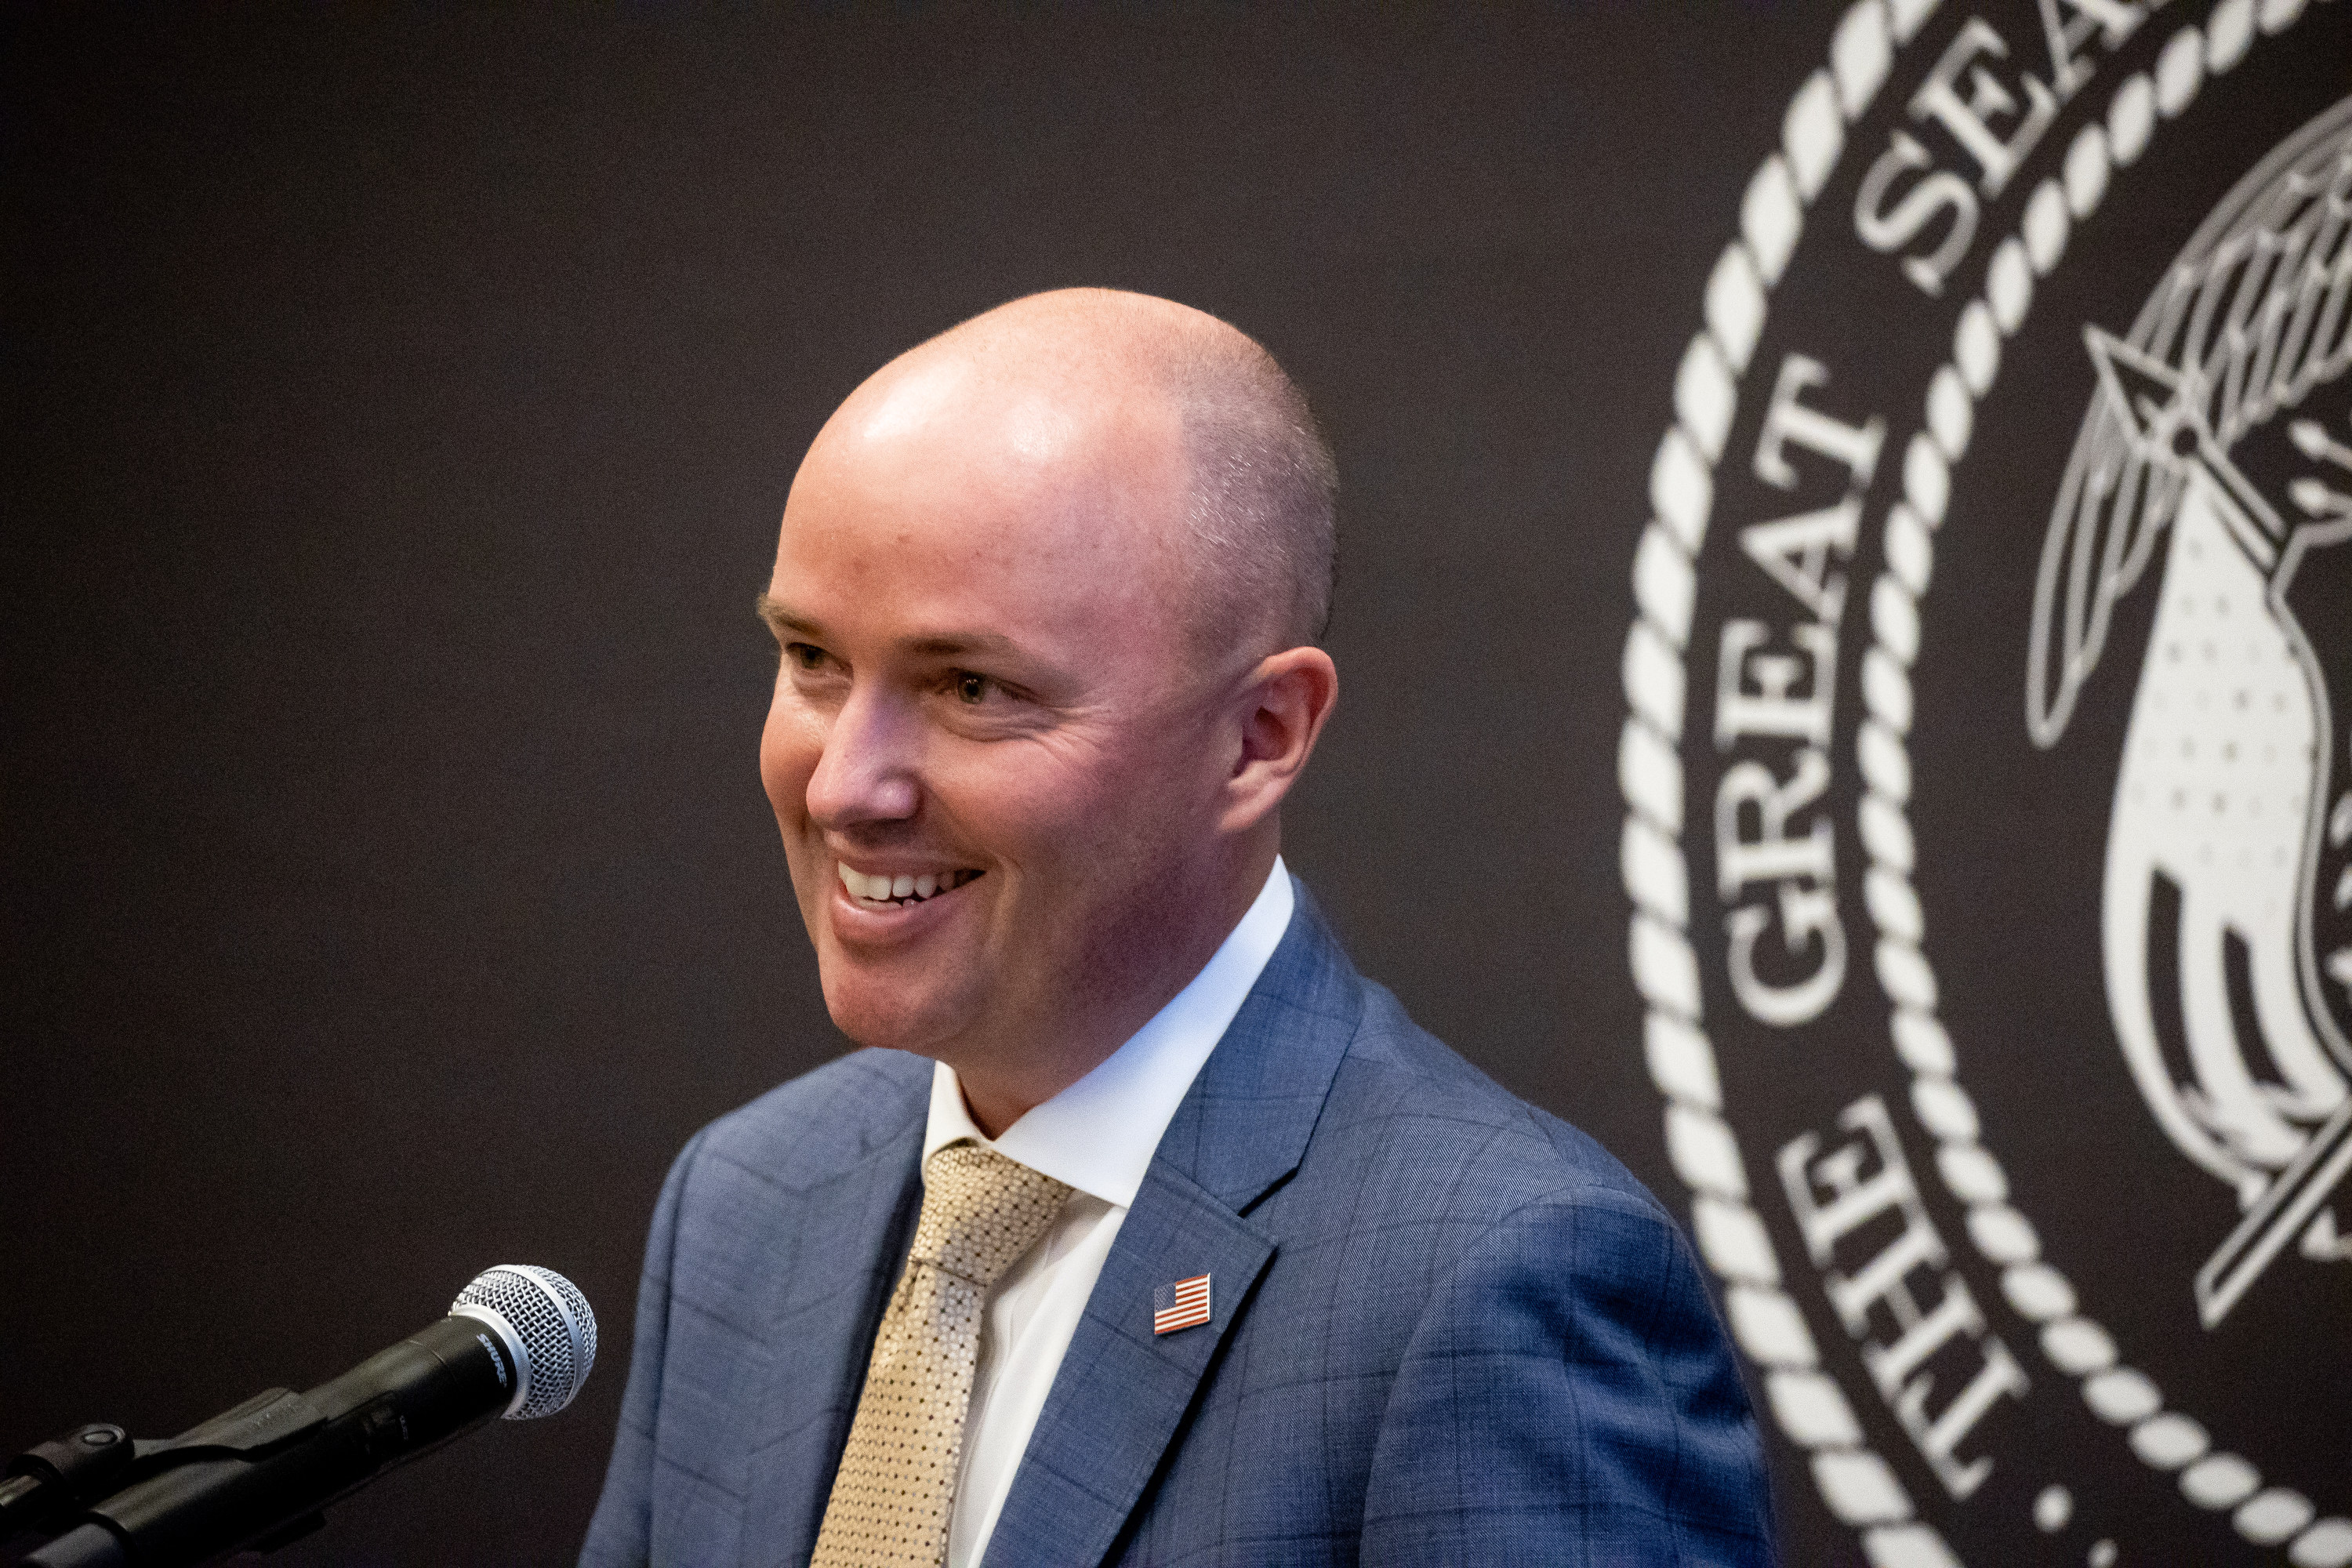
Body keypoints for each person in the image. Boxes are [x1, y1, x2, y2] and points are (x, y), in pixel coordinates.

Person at [579, 289, 1773, 1567]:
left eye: (972, 688)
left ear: (1261, 738)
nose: (840, 787)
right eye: (812, 660)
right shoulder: (748, 1198)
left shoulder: (1499, 1286)